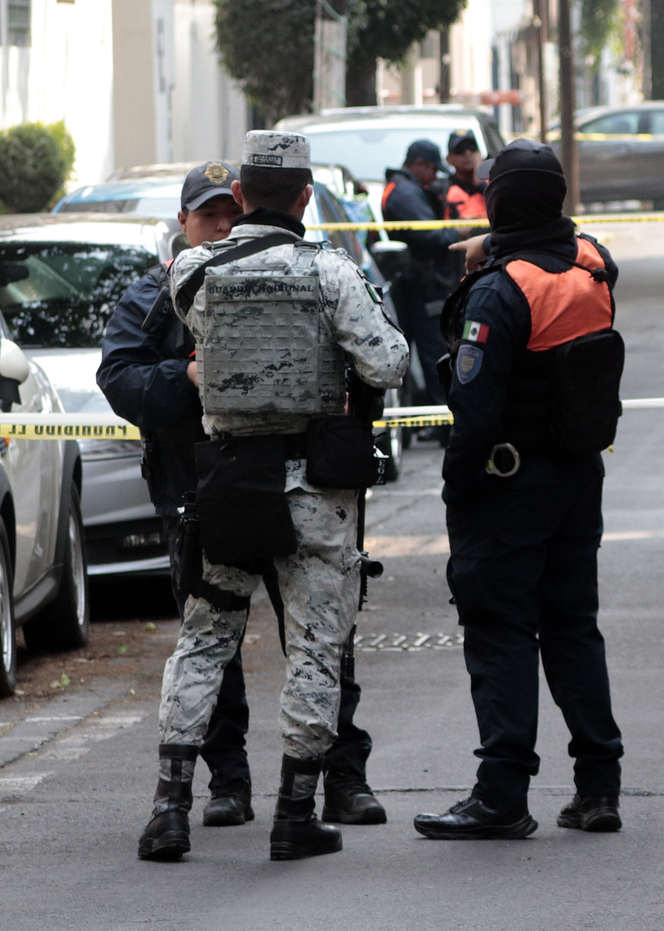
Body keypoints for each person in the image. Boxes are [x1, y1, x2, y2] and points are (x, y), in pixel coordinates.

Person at [137, 131, 409, 864]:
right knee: (316, 647)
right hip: (314, 487)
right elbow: (388, 362)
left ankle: (169, 810)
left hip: (228, 482)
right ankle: (295, 815)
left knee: (204, 639)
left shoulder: (193, 269)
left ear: (241, 195)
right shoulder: (331, 271)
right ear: (305, 197)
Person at [412, 139, 626, 840]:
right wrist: (501, 247)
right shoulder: (592, 266)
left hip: (507, 487)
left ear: (499, 203)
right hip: (578, 478)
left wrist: (457, 493)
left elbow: (473, 414)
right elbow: (567, 245)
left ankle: (502, 795)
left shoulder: (499, 292)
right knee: (572, 627)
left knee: (501, 630)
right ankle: (598, 787)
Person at [381, 140, 459, 408]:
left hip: (412, 284)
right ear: (419, 164)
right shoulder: (406, 193)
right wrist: (459, 232)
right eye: (432, 170)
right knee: (434, 354)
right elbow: (432, 234)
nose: (434, 177)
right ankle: (441, 418)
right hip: (418, 287)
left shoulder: (402, 188)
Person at [443, 130, 488, 226]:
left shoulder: (492, 184)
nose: (467, 153)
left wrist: (481, 182)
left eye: (472, 148)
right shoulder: (443, 189)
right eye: (460, 149)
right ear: (449, 159)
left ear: (480, 153)